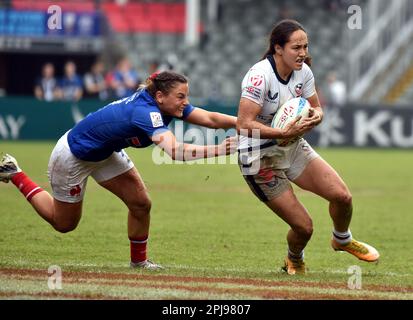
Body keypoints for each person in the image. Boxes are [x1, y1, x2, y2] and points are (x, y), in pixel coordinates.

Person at [0, 71, 237, 270]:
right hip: (73, 155)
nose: (185, 102)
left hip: (105, 152)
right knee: (64, 224)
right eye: (181, 96)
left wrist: (242, 122)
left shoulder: (163, 103)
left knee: (141, 203)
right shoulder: (146, 112)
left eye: (186, 96)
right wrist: (219, 149)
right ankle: (15, 173)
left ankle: (139, 262)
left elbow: (211, 118)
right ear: (160, 96)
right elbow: (175, 151)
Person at [236, 19, 379, 275]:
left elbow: (317, 107)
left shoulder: (304, 73)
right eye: (296, 47)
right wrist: (283, 131)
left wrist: (317, 116)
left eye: (305, 46)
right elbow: (243, 124)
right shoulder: (259, 76)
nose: (303, 53)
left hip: (292, 146)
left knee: (342, 197)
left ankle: (342, 239)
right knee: (304, 227)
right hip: (259, 158)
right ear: (278, 48)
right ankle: (294, 258)